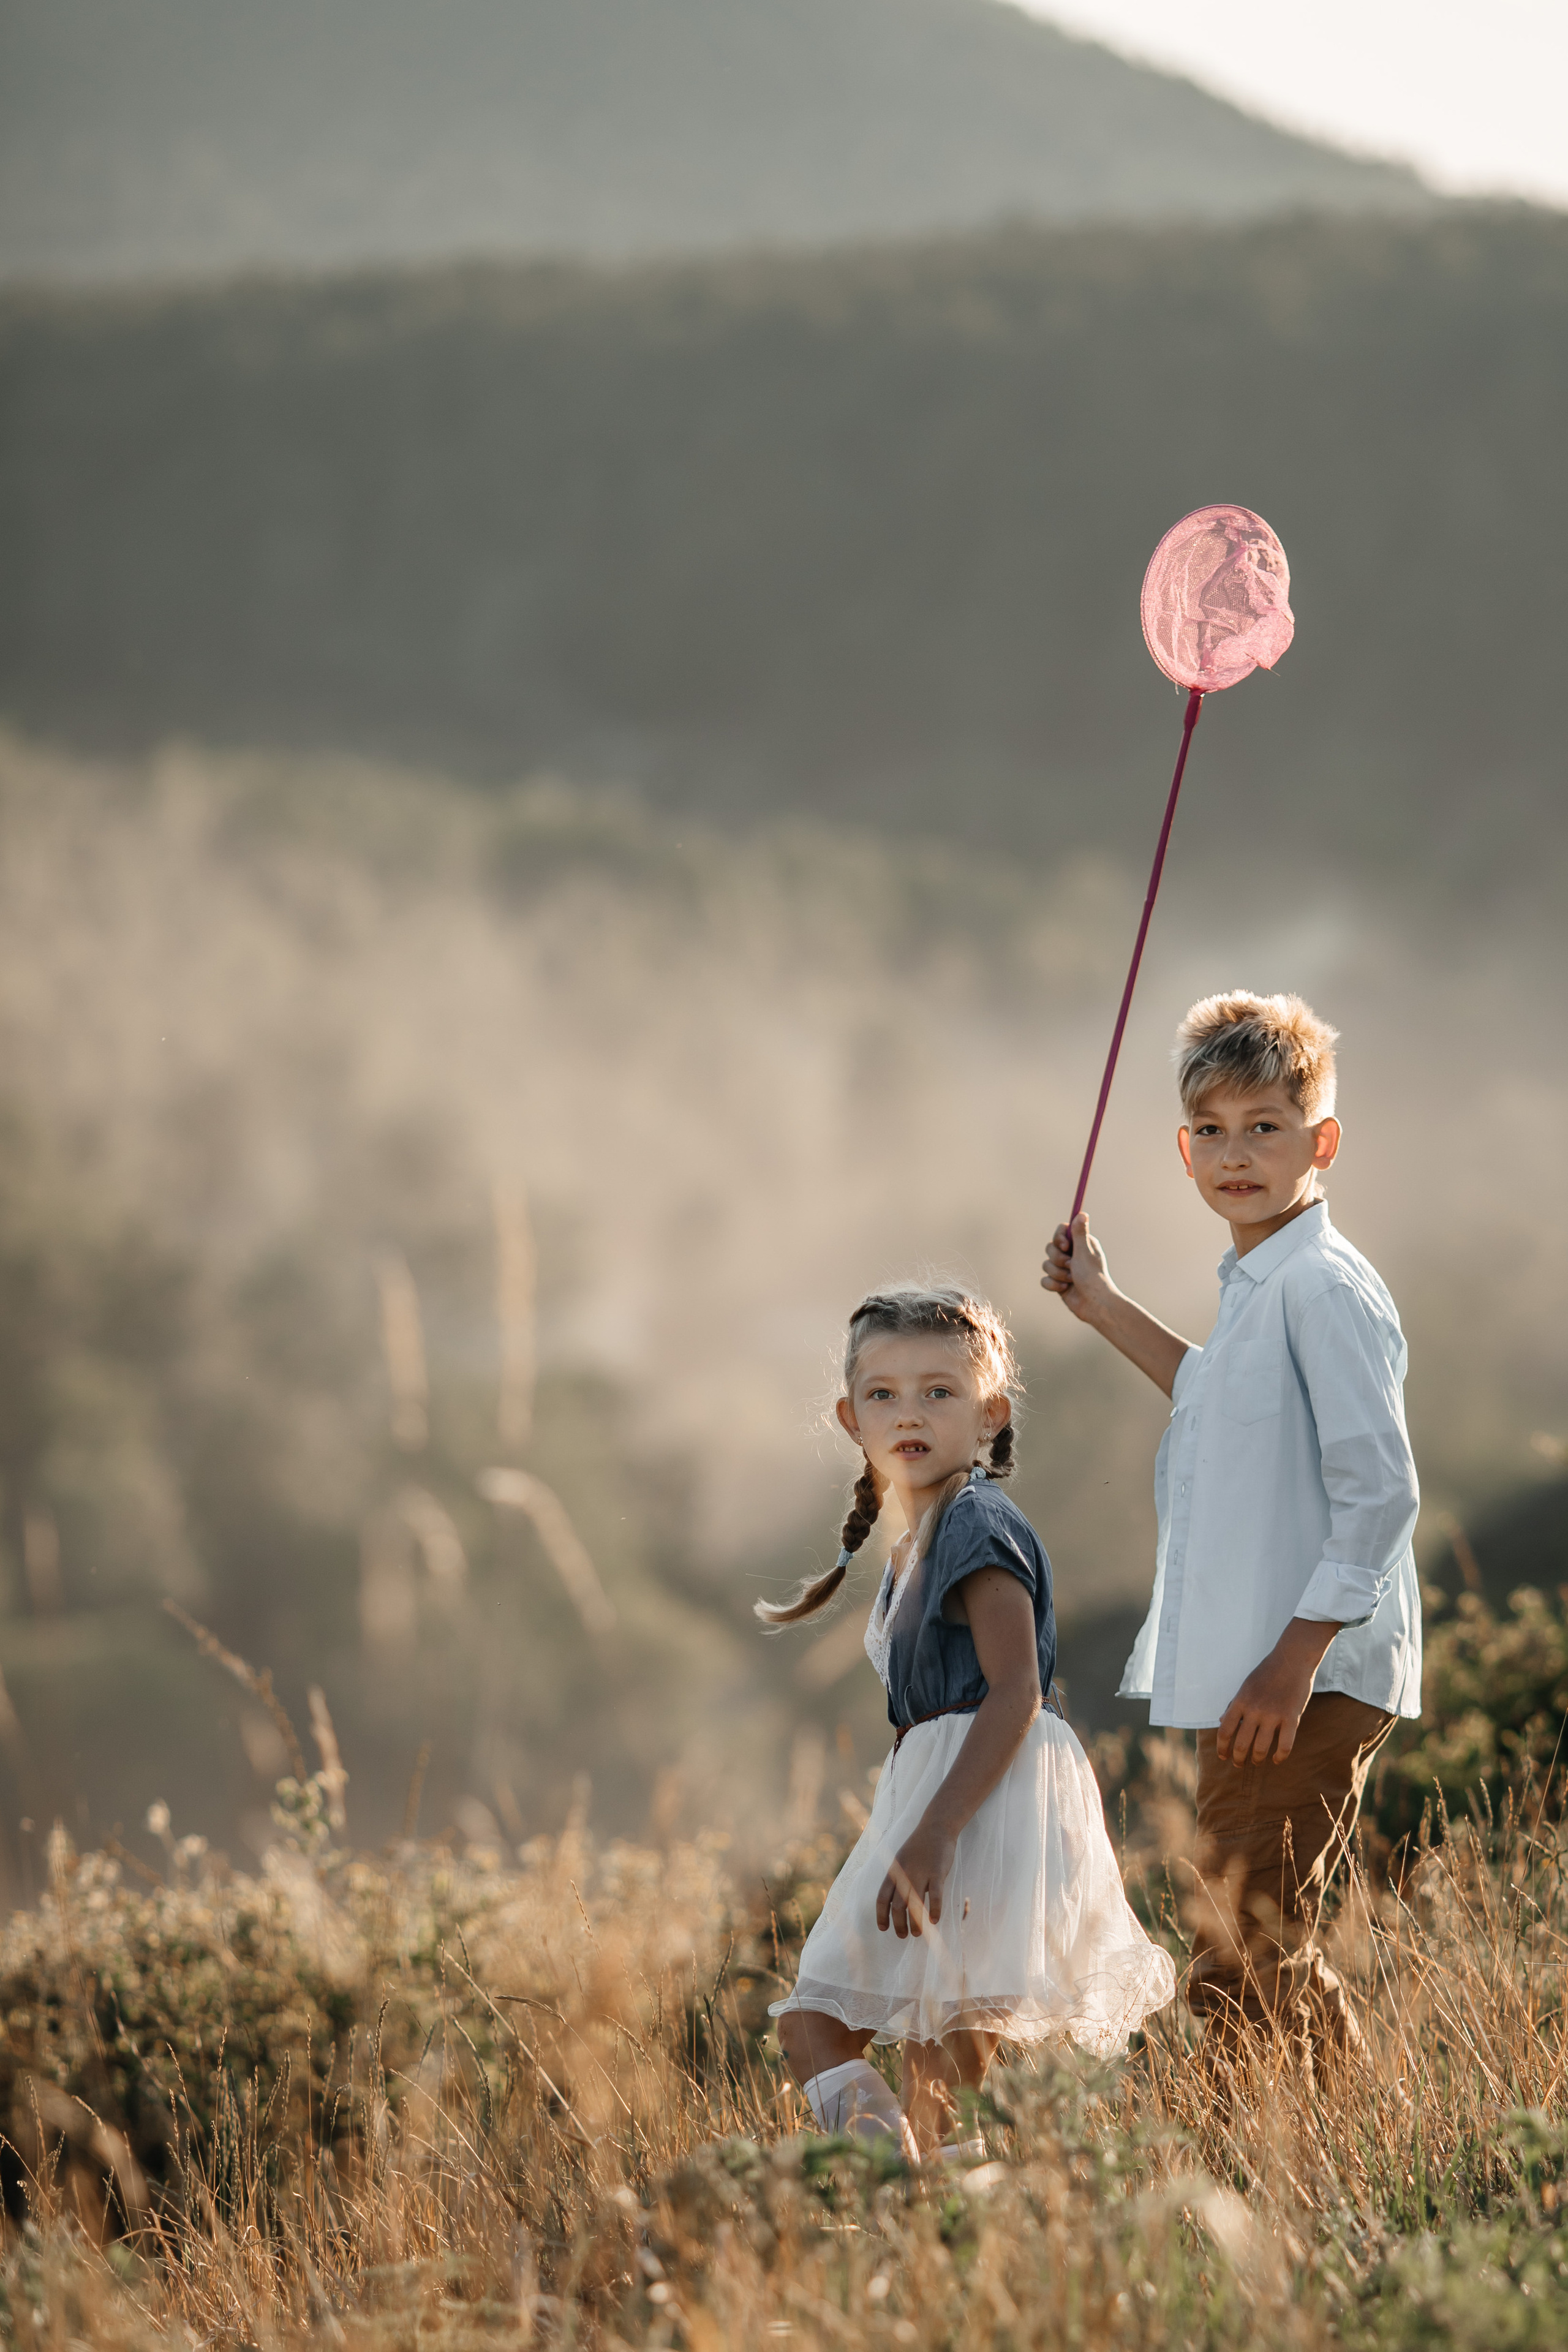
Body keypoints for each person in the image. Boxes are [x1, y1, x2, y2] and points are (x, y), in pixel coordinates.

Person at [1042, 991, 1421, 2076]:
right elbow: (1211, 1395)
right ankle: (1338, 2149)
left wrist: (1293, 1661)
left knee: (1240, 1947)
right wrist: (1103, 1305)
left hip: (1297, 1666)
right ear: (1183, 1150)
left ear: (1322, 1141)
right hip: (1258, 1668)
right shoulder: (1261, 1283)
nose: (1236, 1153)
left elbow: (1382, 1491)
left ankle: (1298, 2163)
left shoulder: (1323, 1288)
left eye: (1265, 1126)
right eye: (1211, 1130)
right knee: (1250, 1940)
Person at [761, 1284, 1175, 2160]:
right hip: (943, 1794)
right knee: (867, 2045)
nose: (909, 1412)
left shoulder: (976, 1523)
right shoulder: (918, 1538)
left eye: (939, 1392)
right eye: (883, 1394)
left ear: (989, 1413)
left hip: (981, 1802)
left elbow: (1016, 1688)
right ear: (850, 1418)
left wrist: (937, 1834)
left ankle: (935, 2221)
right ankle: (921, 2212)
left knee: (913, 2061)